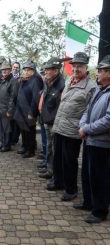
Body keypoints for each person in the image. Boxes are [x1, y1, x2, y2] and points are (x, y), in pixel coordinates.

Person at [49, 52, 96, 201]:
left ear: (86, 68)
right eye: (74, 66)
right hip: (59, 126)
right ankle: (58, 181)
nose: (76, 69)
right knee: (57, 158)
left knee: (70, 161)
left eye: (79, 66)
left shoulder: (91, 87)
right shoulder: (70, 80)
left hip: (72, 130)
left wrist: (84, 128)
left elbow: (90, 111)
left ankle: (71, 189)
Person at [78, 55, 110, 223]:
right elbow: (87, 111)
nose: (97, 73)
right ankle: (88, 202)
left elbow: (108, 120)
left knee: (100, 177)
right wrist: (83, 125)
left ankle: (100, 211)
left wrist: (87, 129)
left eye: (101, 70)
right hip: (90, 140)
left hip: (102, 143)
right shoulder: (99, 89)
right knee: (88, 174)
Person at [37, 58, 65, 179]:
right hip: (46, 120)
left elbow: (60, 107)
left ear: (56, 70)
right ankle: (49, 167)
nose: (46, 72)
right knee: (49, 146)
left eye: (48, 69)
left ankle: (53, 172)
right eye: (46, 69)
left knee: (53, 148)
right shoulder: (49, 82)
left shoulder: (61, 85)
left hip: (54, 122)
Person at [14, 60, 42, 158]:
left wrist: (32, 112)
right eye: (25, 70)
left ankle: (31, 150)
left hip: (29, 111)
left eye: (29, 70)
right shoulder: (25, 80)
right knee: (24, 131)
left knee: (30, 131)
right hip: (21, 111)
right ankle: (25, 146)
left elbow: (36, 98)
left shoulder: (36, 80)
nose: (26, 72)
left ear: (33, 70)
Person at [0, 60, 19, 152]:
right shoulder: (2, 80)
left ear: (10, 70)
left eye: (6, 70)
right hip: (0, 108)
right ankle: (3, 143)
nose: (4, 71)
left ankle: (7, 145)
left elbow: (13, 97)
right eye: (2, 70)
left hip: (6, 110)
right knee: (1, 128)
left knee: (7, 128)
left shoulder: (13, 81)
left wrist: (10, 111)